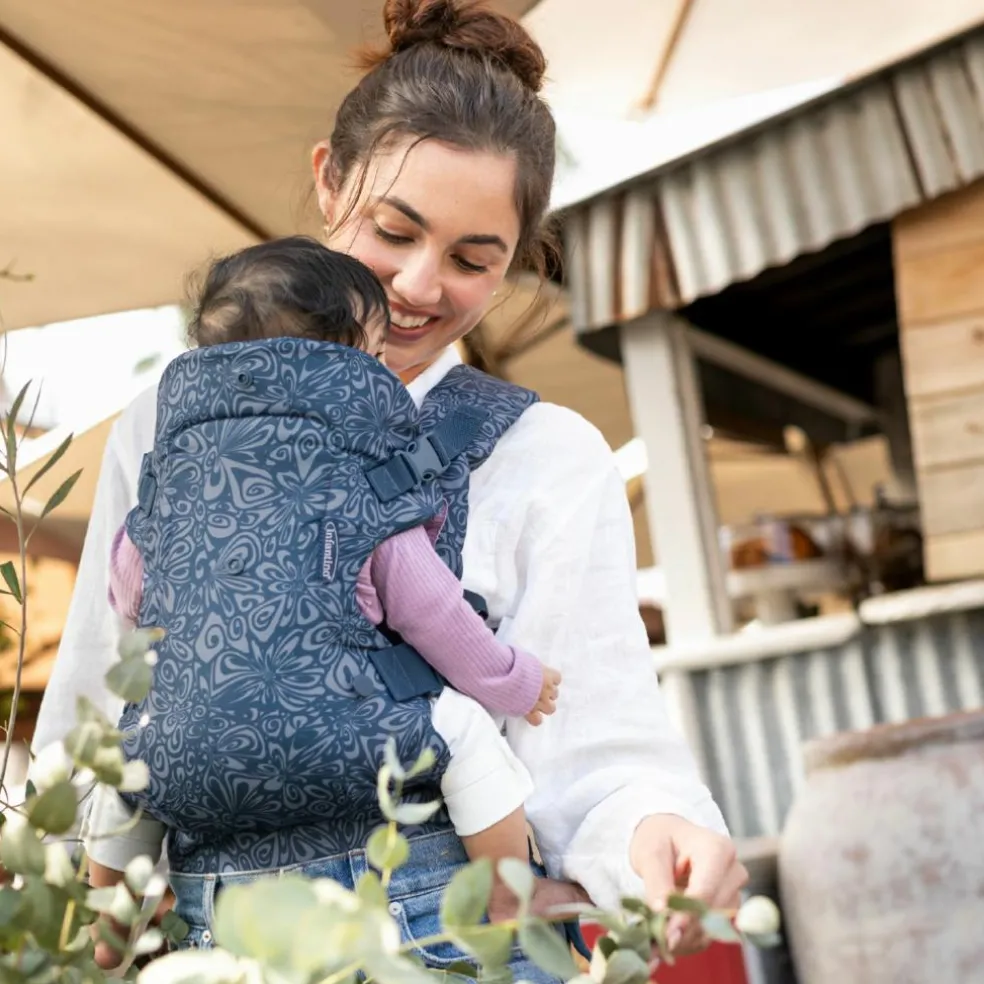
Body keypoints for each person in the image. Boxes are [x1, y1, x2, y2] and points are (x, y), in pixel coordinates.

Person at [31, 0, 747, 973]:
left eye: (470, 259)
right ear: (330, 181)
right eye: (394, 229)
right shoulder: (169, 421)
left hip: (447, 942)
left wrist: (659, 832)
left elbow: (594, 754)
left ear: (516, 263)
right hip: (205, 944)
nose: (416, 284)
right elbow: (94, 708)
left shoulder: (546, 454)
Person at [82, 237, 564, 962]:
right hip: (350, 745)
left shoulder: (171, 485)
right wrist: (516, 680)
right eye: (373, 355)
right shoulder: (357, 484)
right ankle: (502, 887)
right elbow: (434, 614)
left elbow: (126, 593)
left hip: (196, 760)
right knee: (462, 730)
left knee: (130, 766)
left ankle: (107, 924)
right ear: (341, 368)